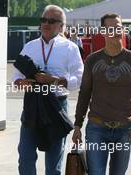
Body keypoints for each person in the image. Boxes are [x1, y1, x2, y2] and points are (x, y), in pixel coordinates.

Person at [72, 14, 131, 175]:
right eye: (111, 28)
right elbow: (84, 94)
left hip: (125, 130)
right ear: (103, 32)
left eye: (119, 27)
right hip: (96, 129)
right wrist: (77, 125)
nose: (116, 31)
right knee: (96, 173)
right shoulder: (92, 60)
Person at [12, 5, 84, 175]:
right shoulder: (29, 46)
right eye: (43, 20)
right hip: (32, 105)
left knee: (53, 162)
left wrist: (56, 80)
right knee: (25, 156)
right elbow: (15, 76)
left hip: (56, 106)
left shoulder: (70, 48)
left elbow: (79, 79)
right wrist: (23, 83)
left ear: (61, 26)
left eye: (51, 21)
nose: (46, 23)